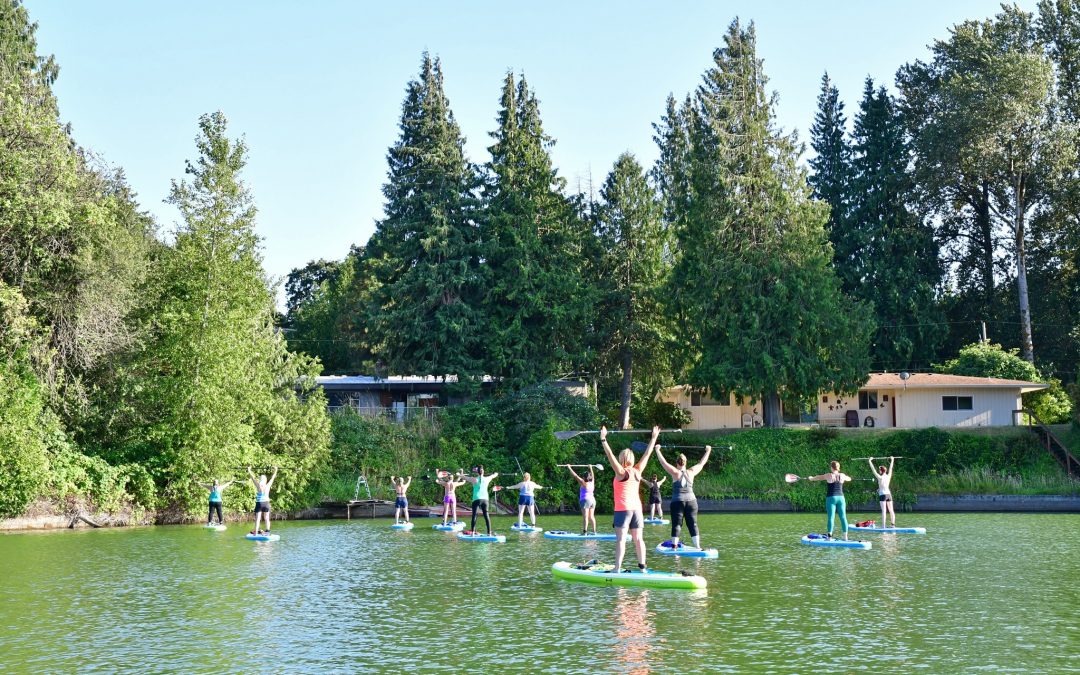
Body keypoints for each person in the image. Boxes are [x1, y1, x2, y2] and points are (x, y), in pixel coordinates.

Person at [601, 425, 660, 572]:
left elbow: (610, 456)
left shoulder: (621, 472)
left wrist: (603, 439)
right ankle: (642, 567)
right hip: (637, 510)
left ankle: (617, 569)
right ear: (632, 459)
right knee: (638, 539)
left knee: (621, 540)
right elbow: (647, 454)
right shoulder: (637, 471)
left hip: (623, 509)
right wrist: (654, 437)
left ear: (622, 459)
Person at [655, 444, 712, 549]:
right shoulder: (692, 471)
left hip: (678, 502)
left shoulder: (675, 472)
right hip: (692, 502)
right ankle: (698, 547)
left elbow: (663, 462)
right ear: (686, 462)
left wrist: (657, 450)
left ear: (677, 463)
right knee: (693, 524)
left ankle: (674, 547)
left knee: (677, 525)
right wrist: (708, 450)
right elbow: (702, 463)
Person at [808, 461, 852, 540]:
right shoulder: (842, 475)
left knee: (831, 518)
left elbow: (818, 477)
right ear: (838, 467)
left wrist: (811, 478)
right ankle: (845, 537)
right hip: (841, 498)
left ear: (831, 467)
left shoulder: (828, 475)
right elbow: (849, 479)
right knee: (843, 517)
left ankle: (829, 537)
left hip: (831, 498)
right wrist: (848, 478)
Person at [462, 465, 498, 535]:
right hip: (485, 500)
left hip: (476, 499)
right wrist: (496, 473)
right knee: (486, 516)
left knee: (474, 515)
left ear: (477, 472)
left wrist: (459, 475)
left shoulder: (474, 479)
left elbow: (464, 477)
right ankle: (489, 532)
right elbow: (494, 475)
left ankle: (472, 532)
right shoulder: (487, 478)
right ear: (483, 472)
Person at [567, 465, 598, 535]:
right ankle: (594, 531)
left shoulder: (584, 483)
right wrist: (590, 468)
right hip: (593, 500)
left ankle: (585, 532)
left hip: (585, 500)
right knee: (591, 516)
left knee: (586, 517)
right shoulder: (592, 482)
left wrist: (569, 468)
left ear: (584, 477)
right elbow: (593, 475)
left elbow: (575, 476)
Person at [246, 466, 278, 535]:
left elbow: (252, 478)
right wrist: (276, 470)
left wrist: (249, 470)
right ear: (266, 480)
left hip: (259, 503)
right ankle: (268, 531)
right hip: (266, 504)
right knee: (266, 518)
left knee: (258, 519)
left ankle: (256, 532)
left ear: (260, 480)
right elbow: (273, 478)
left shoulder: (258, 486)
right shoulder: (268, 485)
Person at [868, 456, 896, 528]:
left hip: (882, 495)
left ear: (881, 471)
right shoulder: (888, 476)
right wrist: (892, 460)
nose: (878, 471)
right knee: (891, 510)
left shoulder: (880, 477)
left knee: (884, 511)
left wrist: (870, 461)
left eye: (879, 470)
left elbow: (873, 469)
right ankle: (893, 525)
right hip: (888, 494)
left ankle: (883, 526)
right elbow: (891, 468)